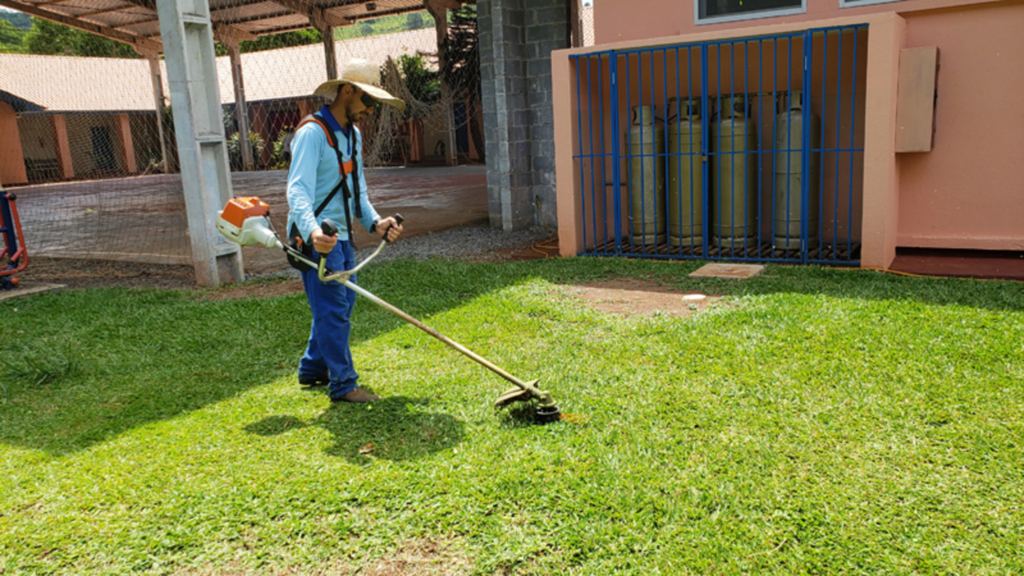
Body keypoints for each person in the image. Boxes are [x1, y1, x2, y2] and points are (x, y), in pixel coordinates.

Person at [286, 58, 406, 403]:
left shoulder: (351, 135)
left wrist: (376, 222)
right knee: (333, 309)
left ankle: (312, 369)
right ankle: (343, 384)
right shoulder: (312, 133)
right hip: (316, 240)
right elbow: (297, 192)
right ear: (348, 91)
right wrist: (313, 233)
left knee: (341, 301)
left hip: (342, 238)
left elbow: (358, 190)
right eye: (368, 100)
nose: (371, 109)